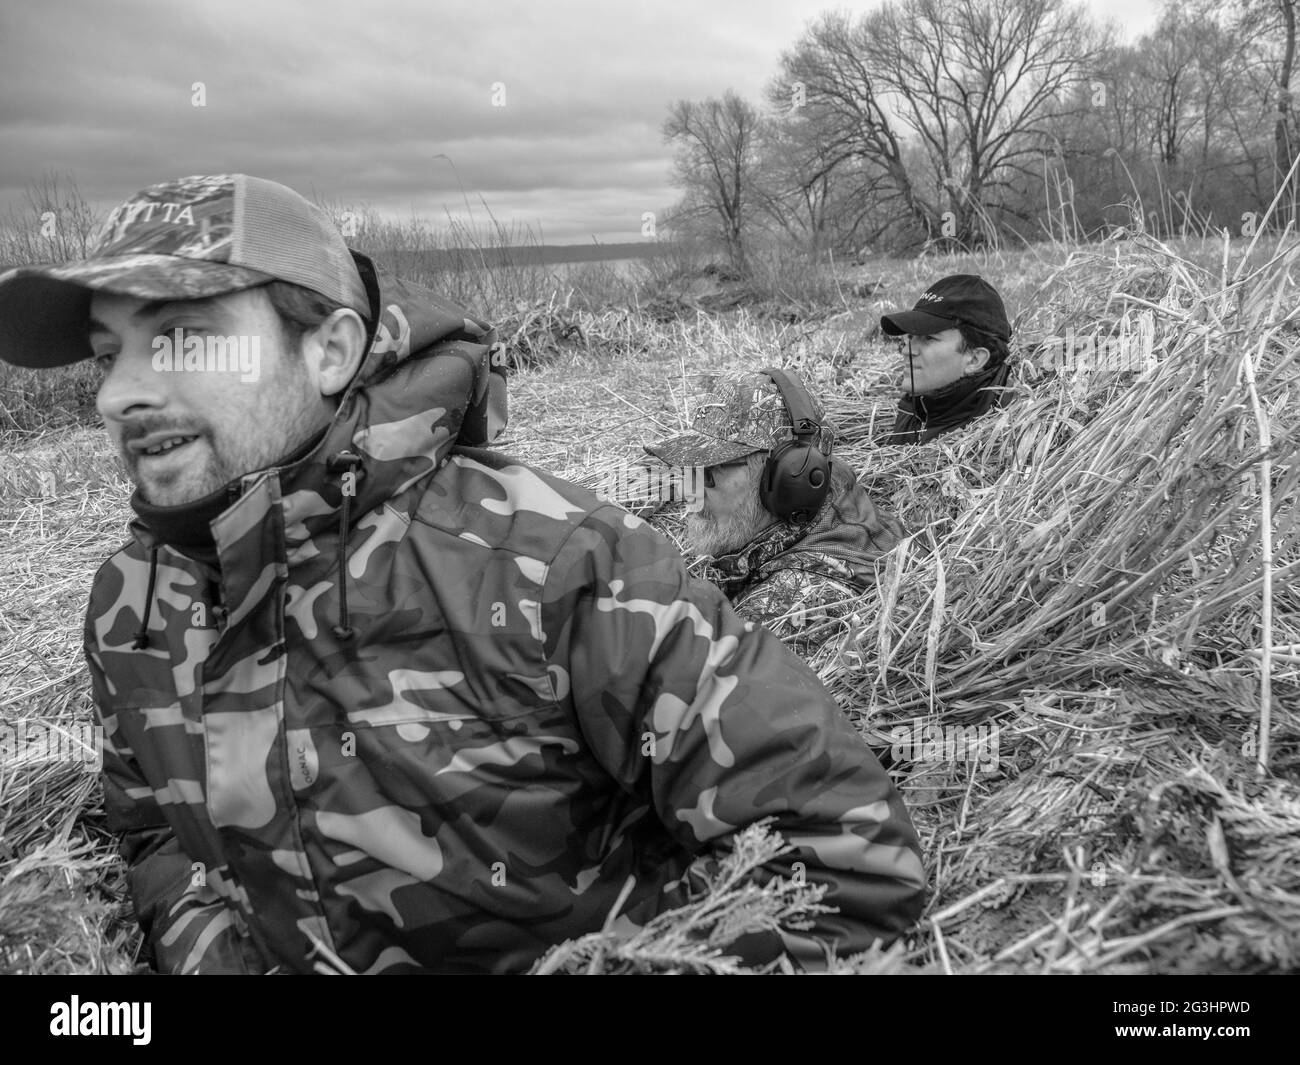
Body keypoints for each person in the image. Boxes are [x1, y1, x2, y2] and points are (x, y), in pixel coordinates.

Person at [0, 174, 925, 974]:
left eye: (181, 338)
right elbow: (155, 837)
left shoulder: (562, 563)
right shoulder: (131, 603)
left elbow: (847, 863)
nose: (120, 394)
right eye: (108, 353)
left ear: (327, 348)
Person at [645, 369, 906, 640]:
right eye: (689, 470)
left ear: (790, 478)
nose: (691, 489)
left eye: (711, 472)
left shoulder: (784, 609)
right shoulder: (847, 515)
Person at [877, 274, 1014, 444]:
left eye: (929, 338)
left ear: (974, 359)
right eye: (911, 336)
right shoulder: (918, 405)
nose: (907, 350)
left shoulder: (1002, 435)